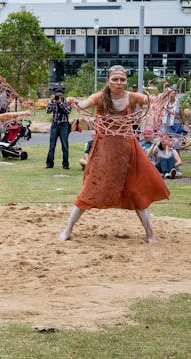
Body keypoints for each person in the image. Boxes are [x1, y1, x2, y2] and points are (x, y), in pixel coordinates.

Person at [59, 65, 170, 243]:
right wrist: (74, 102)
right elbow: (84, 103)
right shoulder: (101, 97)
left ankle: (150, 234)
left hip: (128, 149)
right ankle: (67, 230)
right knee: (90, 189)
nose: (119, 83)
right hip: (104, 150)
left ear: (126, 81)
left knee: (136, 189)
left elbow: (151, 101)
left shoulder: (132, 97)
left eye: (122, 79)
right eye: (115, 79)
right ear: (108, 81)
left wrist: (163, 96)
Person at [45, 87, 71, 170]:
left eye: (60, 94)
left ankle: (65, 164)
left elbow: (68, 111)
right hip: (55, 125)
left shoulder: (67, 101)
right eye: (57, 94)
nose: (59, 96)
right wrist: (50, 102)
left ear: (63, 94)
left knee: (65, 146)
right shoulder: (53, 101)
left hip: (64, 125)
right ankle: (49, 163)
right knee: (52, 145)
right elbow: (48, 111)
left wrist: (60, 103)